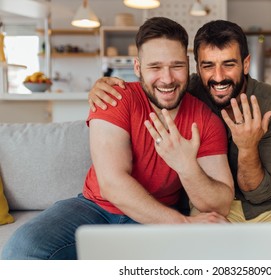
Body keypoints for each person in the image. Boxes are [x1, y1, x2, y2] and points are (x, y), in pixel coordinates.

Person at [88, 20, 271, 260]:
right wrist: (103, 86)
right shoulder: (186, 90)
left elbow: (260, 193)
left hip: (269, 205)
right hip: (207, 206)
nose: (218, 77)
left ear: (245, 64)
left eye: (229, 64)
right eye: (208, 65)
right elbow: (156, 84)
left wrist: (247, 148)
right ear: (196, 67)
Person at [1, 17, 234, 260]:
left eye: (176, 66)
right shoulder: (115, 98)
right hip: (94, 209)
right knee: (21, 251)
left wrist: (187, 168)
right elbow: (112, 184)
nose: (167, 79)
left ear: (188, 65)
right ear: (137, 68)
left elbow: (220, 204)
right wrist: (182, 223)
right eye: (154, 67)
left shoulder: (206, 119)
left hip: (157, 216)